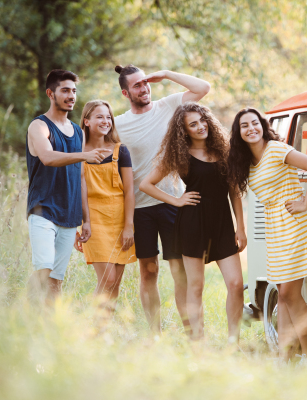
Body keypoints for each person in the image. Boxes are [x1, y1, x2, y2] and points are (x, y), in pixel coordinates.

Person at [114, 64, 211, 333]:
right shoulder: (119, 124)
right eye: (137, 85)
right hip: (140, 209)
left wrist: (167, 74)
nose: (144, 88)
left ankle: (192, 333)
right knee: (149, 271)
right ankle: (154, 335)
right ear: (125, 93)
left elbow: (203, 88)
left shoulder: (168, 106)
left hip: (173, 203)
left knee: (179, 270)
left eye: (145, 83)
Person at [139, 103, 246, 342]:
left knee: (236, 283)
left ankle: (233, 342)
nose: (200, 127)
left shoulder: (224, 151)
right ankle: (198, 343)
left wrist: (241, 227)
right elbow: (146, 184)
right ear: (184, 131)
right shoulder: (179, 155)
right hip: (192, 222)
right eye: (193, 124)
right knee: (195, 287)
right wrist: (176, 201)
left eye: (202, 120)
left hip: (222, 223)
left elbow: (234, 192)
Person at [227, 108, 307, 361]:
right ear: (238, 133)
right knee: (282, 294)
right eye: (244, 125)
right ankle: (284, 355)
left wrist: (305, 202)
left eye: (255, 123)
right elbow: (232, 191)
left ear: (262, 125)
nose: (251, 129)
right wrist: (240, 227)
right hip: (275, 225)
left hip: (294, 221)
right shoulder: (247, 162)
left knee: (290, 293)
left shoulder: (277, 149)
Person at [26, 69, 112, 304]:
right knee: (43, 270)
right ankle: (20, 313)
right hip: (43, 210)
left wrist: (86, 219)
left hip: (69, 216)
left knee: (56, 281)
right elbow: (47, 157)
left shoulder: (76, 131)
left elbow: (80, 178)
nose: (71, 95)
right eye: (65, 90)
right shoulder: (39, 126)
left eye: (74, 91)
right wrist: (84, 155)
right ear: (50, 93)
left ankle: (51, 330)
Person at [73, 100, 136, 313]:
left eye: (108, 117)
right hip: (93, 222)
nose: (106, 121)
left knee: (115, 284)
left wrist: (129, 226)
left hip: (119, 221)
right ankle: (89, 325)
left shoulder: (120, 151)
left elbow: (129, 192)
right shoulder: (77, 152)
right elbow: (73, 192)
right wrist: (77, 226)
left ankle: (103, 333)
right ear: (87, 121)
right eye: (100, 117)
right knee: (107, 279)